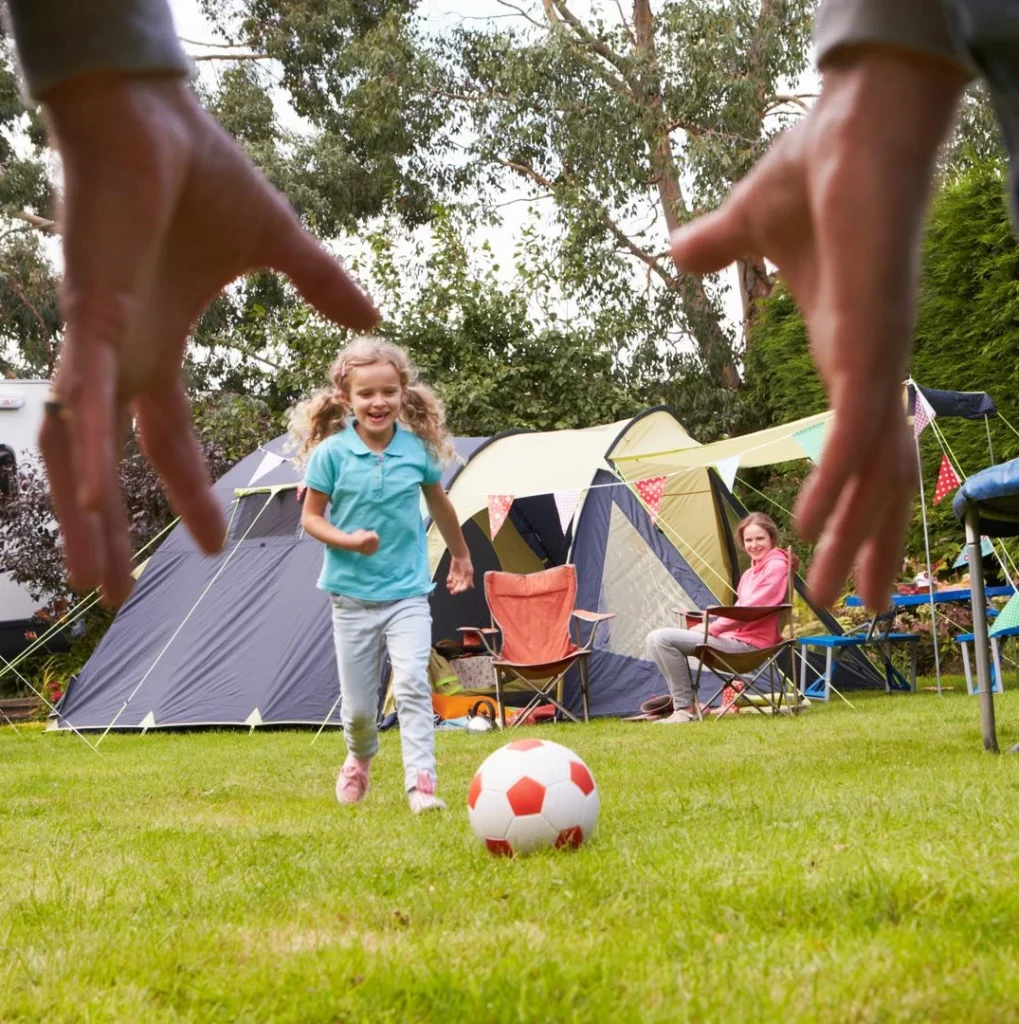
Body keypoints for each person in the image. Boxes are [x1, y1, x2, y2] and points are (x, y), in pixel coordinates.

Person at [293, 338, 473, 813]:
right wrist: (348, 541)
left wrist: (460, 556)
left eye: (388, 392)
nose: (378, 403)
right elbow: (311, 518)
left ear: (403, 394)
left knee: (414, 681)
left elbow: (440, 503)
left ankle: (422, 786)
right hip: (350, 598)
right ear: (345, 399)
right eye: (367, 394)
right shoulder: (331, 455)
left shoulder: (415, 451)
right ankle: (359, 756)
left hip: (407, 593)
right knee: (357, 711)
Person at [644, 513, 791, 724]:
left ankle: (685, 709)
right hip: (735, 639)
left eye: (760, 538)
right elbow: (742, 609)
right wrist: (707, 620)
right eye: (749, 540)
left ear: (771, 538)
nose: (754, 545)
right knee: (654, 639)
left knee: (661, 638)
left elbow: (752, 610)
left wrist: (712, 628)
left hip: (749, 647)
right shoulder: (750, 574)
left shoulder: (776, 567)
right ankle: (690, 706)